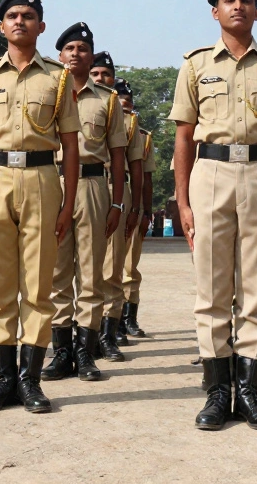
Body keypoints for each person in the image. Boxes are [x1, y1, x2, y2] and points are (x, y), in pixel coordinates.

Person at [171, 0, 257, 431]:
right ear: (215, 11)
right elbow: (183, 137)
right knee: (211, 287)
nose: (238, 6)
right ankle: (216, 391)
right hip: (210, 173)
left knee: (256, 288)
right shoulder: (196, 64)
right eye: (230, 0)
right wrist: (182, 201)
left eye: (246, 0)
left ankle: (248, 390)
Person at [0, 0, 80, 414]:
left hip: (41, 176)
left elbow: (70, 143)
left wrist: (68, 203)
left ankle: (30, 379)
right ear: (2, 26)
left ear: (41, 26)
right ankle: (2, 379)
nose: (19, 22)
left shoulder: (58, 76)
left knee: (37, 283)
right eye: (12, 16)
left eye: (28, 16)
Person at [42, 22, 126, 382]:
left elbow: (119, 157)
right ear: (60, 56)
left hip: (93, 184)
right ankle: (60, 352)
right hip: (52, 181)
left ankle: (85, 352)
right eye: (70, 49)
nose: (76, 54)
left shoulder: (106, 100)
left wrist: (117, 204)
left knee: (91, 273)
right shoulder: (47, 92)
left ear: (90, 56)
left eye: (82, 49)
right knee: (57, 272)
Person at [97, 72, 144, 357]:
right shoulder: (65, 104)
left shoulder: (128, 123)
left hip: (115, 187)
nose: (100, 78)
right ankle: (76, 338)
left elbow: (136, 169)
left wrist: (136, 208)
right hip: (74, 184)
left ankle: (108, 332)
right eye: (96, 74)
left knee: (114, 266)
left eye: (105, 74)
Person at [120, 83, 156, 338]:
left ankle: (127, 318)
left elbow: (147, 177)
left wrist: (146, 211)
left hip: (133, 201)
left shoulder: (142, 136)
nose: (124, 103)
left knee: (130, 266)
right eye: (119, 98)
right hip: (106, 194)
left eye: (128, 100)